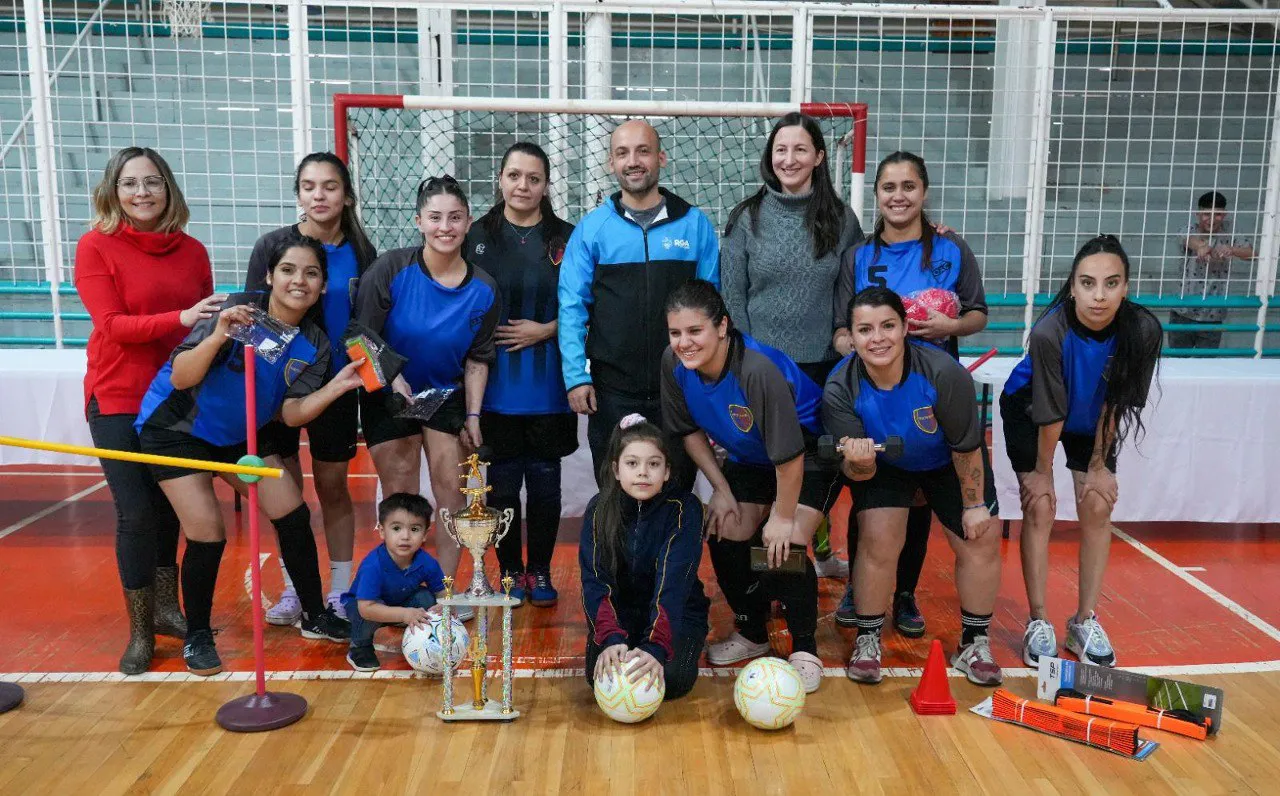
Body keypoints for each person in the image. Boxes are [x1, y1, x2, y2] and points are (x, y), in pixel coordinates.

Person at [135, 237, 363, 675]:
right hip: (176, 430)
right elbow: (182, 377)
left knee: (292, 511)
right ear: (269, 276)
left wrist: (336, 387)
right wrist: (220, 332)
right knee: (208, 532)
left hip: (238, 436)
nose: (299, 280)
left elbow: (290, 414)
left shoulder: (313, 342)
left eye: (311, 273)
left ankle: (314, 615)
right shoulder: (238, 311)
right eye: (289, 270)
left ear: (322, 285)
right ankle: (198, 635)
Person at [75, 146, 225, 675]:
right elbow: (112, 325)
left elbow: (204, 328)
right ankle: (141, 629)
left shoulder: (193, 251)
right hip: (116, 396)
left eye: (153, 182)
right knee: (136, 512)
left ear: (169, 189)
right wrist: (181, 316)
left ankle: (167, 608)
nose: (143, 193)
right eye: (131, 183)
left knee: (169, 512)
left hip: (175, 398)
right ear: (113, 191)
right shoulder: (96, 247)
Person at [831, 151, 990, 638]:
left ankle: (904, 594)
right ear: (876, 194)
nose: (898, 196)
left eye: (908, 186)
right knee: (874, 493)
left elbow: (978, 314)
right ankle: (862, 592)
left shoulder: (949, 248)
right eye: (888, 187)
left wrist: (950, 324)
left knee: (922, 495)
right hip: (877, 388)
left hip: (932, 389)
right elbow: (840, 331)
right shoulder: (859, 256)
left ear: (923, 192)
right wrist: (861, 349)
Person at [660, 280, 839, 693]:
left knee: (785, 541)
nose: (684, 342)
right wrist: (720, 488)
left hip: (810, 456)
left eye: (695, 331)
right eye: (675, 332)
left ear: (722, 327)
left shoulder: (756, 369)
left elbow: (791, 457)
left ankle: (804, 647)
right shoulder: (673, 363)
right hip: (751, 459)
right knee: (725, 525)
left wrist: (781, 515)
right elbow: (688, 432)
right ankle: (752, 631)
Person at [823, 287, 1003, 686]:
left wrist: (974, 505)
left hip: (947, 461)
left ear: (905, 328)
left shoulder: (942, 373)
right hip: (885, 465)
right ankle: (868, 637)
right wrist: (861, 461)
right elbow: (857, 476)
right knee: (877, 537)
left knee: (981, 535)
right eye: (865, 329)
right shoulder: (839, 388)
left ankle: (974, 641)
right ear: (850, 339)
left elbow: (967, 446)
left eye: (888, 325)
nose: (878, 338)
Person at [1001, 235, 1162, 668]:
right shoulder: (1049, 331)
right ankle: (1038, 620)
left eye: (1111, 284)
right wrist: (1040, 471)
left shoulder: (1143, 330)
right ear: (1072, 287)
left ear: (1125, 287)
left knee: (1096, 503)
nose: (1099, 295)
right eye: (1088, 283)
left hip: (1092, 419)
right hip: (1032, 411)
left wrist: (1098, 466)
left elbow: (1118, 401)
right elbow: (1050, 411)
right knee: (1041, 506)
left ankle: (1084, 619)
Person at [721, 112, 865, 582]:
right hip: (761, 370)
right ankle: (766, 589)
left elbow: (852, 292)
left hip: (821, 371)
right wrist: (745, 362)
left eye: (800, 149)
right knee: (767, 474)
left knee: (815, 474)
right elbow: (733, 296)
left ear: (819, 157)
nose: (790, 158)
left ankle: (805, 560)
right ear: (770, 158)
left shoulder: (842, 220)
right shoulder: (746, 218)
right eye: (781, 150)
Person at [352, 176, 500, 612]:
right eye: (435, 218)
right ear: (419, 221)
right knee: (401, 498)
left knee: (452, 495)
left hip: (447, 395)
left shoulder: (485, 288)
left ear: (468, 222)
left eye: (455, 217)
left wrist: (472, 416)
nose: (445, 227)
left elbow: (478, 357)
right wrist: (391, 378)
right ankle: (400, 594)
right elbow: (359, 338)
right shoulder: (390, 269)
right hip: (388, 392)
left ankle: (449, 593)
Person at [246, 152, 378, 625]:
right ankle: (294, 588)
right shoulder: (273, 246)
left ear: (346, 194)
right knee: (286, 493)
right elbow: (254, 322)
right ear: (298, 193)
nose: (318, 195)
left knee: (333, 487)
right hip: (277, 389)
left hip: (337, 387)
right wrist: (264, 381)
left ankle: (341, 591)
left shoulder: (363, 253)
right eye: (308, 186)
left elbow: (368, 324)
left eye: (329, 186)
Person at [558, 119, 720, 491]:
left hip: (681, 389)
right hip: (612, 393)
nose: (633, 161)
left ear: (660, 157)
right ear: (610, 164)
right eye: (622, 153)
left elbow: (713, 307)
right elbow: (571, 307)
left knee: (676, 497)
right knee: (617, 500)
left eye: (643, 151)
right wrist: (576, 377)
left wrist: (711, 377)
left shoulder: (694, 225)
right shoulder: (592, 229)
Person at [466, 143, 577, 609]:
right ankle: (510, 571)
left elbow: (587, 305)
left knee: (546, 485)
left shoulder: (569, 237)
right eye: (514, 176)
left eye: (533, 178)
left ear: (546, 185)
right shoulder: (475, 236)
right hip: (493, 390)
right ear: (501, 179)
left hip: (551, 387)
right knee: (505, 487)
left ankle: (541, 571)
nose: (523, 186)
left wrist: (547, 329)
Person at [580, 414, 709, 700]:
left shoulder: (684, 509)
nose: (642, 472)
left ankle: (684, 642)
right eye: (632, 463)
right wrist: (611, 637)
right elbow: (595, 581)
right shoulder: (599, 510)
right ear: (616, 470)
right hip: (621, 615)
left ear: (666, 471)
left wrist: (656, 645)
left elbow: (673, 583)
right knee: (601, 677)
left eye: (653, 464)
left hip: (677, 613)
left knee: (672, 680)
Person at [343, 492, 446, 672]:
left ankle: (420, 637)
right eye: (396, 528)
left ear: (425, 535)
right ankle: (360, 647)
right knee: (363, 614)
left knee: (427, 598)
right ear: (382, 531)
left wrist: (445, 605)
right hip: (368, 608)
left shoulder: (427, 562)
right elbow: (366, 608)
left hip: (402, 602)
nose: (405, 536)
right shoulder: (373, 565)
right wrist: (404, 615)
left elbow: (443, 592)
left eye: (414, 529)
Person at [1169, 191, 1254, 350]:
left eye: (1218, 215)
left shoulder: (1230, 232)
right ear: (1198, 214)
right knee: (1177, 362)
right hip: (1183, 311)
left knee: (1206, 366)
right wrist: (1201, 246)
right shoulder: (1189, 229)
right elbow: (1187, 239)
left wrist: (1232, 250)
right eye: (1207, 214)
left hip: (1213, 314)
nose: (1212, 219)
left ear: (1225, 214)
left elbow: (1252, 254)